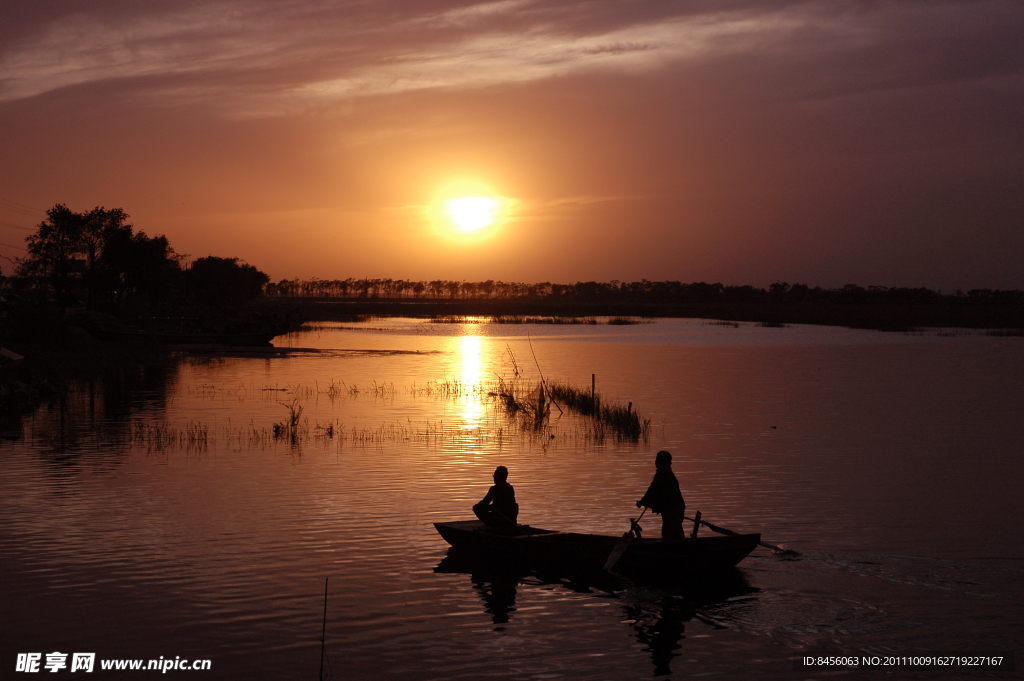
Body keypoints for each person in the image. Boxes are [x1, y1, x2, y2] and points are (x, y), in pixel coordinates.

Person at [637, 451, 686, 540]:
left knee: (672, 535)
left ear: (661, 462)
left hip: (672, 510)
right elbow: (656, 493)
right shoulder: (666, 474)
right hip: (674, 509)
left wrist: (642, 502)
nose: (655, 462)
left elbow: (652, 491)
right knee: (671, 534)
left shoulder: (662, 474)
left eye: (657, 460)